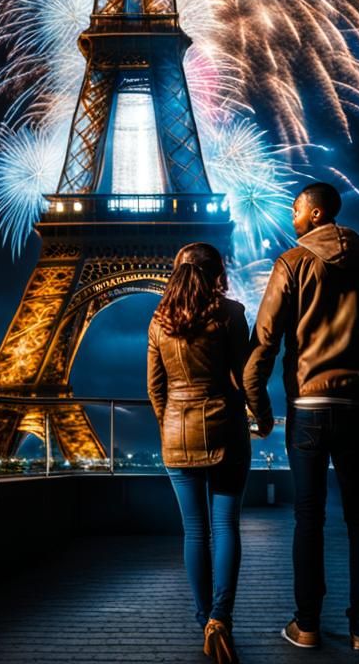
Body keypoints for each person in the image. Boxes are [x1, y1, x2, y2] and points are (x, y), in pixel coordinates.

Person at [243, 183, 359, 653]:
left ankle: (307, 624)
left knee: (307, 518)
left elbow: (264, 343)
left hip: (307, 410)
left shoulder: (292, 263)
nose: (290, 217)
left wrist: (260, 408)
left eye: (295, 209)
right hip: (355, 407)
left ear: (313, 214)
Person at [147, 242, 265, 664]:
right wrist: (261, 415)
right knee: (226, 527)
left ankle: (203, 622)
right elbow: (247, 375)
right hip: (226, 429)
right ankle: (221, 619)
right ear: (216, 271)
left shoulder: (159, 321)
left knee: (194, 532)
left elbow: (155, 388)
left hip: (177, 435)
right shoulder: (231, 314)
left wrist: (169, 426)